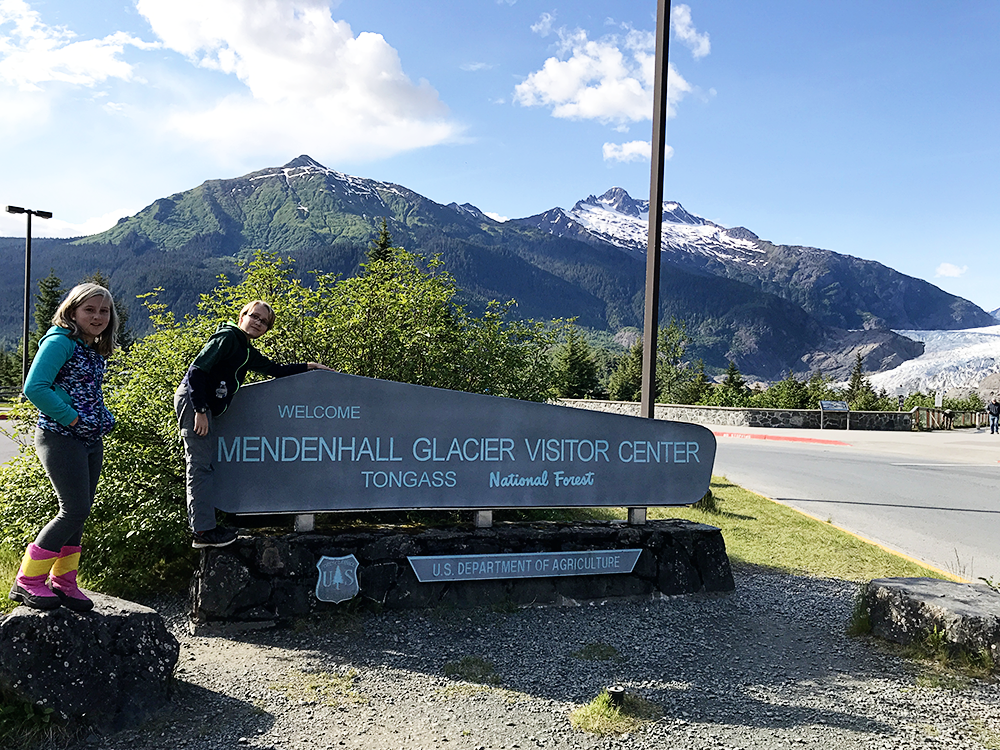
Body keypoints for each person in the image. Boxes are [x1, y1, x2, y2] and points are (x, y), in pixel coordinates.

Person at [174, 300, 331, 548]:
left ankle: (205, 526)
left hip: (204, 404)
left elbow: (274, 369)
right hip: (195, 401)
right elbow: (196, 372)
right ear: (242, 316)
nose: (258, 323)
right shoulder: (227, 337)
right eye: (254, 317)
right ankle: (203, 532)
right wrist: (200, 410)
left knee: (207, 464)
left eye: (264, 322)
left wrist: (309, 366)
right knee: (200, 466)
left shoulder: (245, 350)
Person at [9, 283, 118, 612]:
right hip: (60, 436)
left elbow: (84, 392)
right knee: (73, 510)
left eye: (104, 311)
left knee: (79, 514)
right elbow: (35, 387)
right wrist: (73, 420)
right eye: (90, 310)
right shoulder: (60, 341)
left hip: (88, 439)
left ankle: (64, 582)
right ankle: (27, 581)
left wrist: (101, 417)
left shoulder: (91, 347)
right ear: (72, 312)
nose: (98, 316)